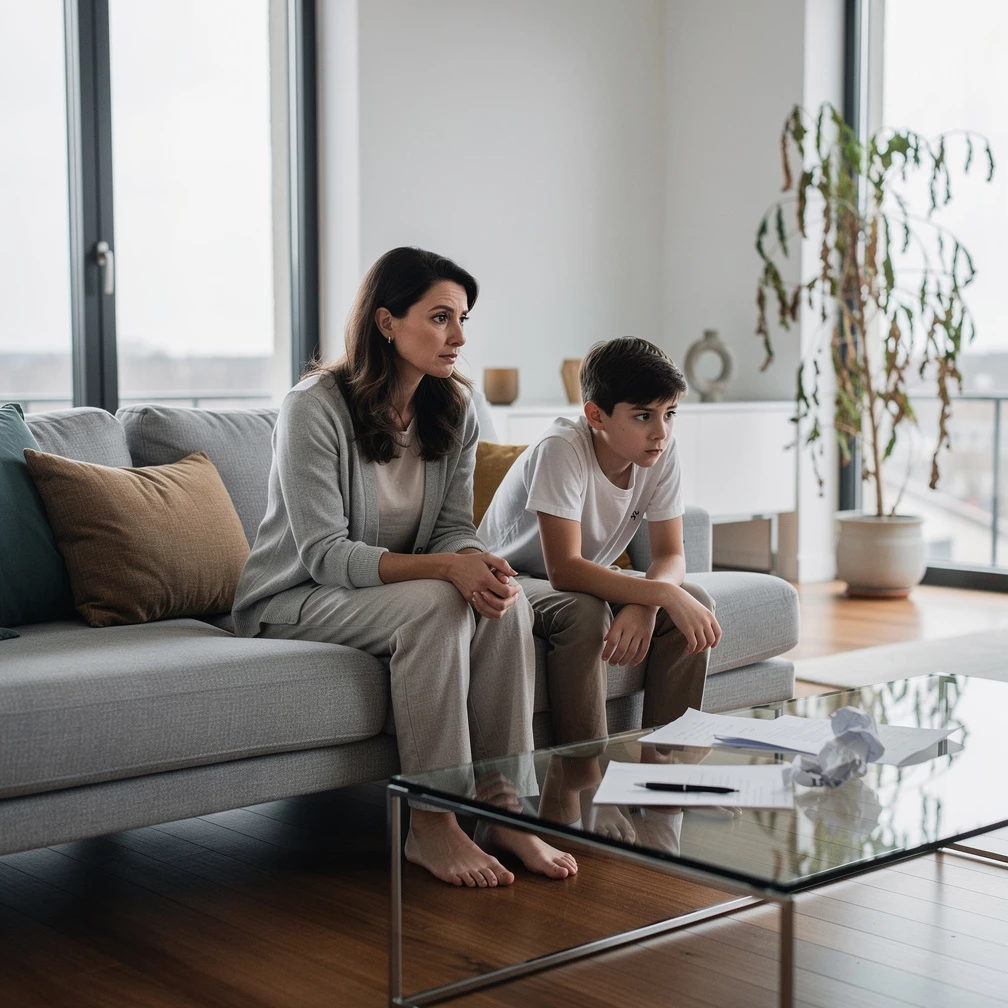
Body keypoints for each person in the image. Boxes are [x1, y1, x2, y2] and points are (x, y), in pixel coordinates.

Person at [233, 247, 575, 888]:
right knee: (441, 604)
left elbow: (452, 529)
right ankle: (433, 823)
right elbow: (324, 553)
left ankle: (503, 811)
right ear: (387, 321)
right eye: (440, 317)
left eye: (463, 319)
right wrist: (447, 570)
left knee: (505, 603)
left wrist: (474, 562)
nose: (459, 337)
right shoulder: (314, 407)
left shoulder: (455, 409)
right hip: (296, 595)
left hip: (378, 592)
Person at [478, 337, 722, 830]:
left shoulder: (661, 452)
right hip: (512, 578)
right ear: (596, 415)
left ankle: (661, 771)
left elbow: (671, 555)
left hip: (578, 577)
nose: (661, 431)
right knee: (585, 613)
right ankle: (583, 780)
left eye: (670, 414)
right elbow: (564, 569)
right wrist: (658, 593)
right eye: (643, 416)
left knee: (693, 599)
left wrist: (650, 605)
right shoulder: (561, 448)